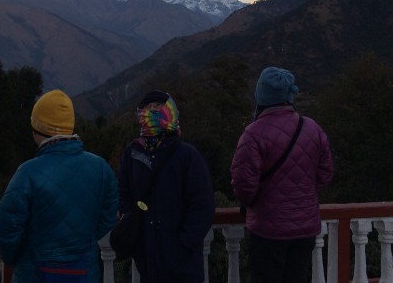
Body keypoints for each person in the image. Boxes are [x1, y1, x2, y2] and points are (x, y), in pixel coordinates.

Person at [0, 89, 118, 283]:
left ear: (36, 128)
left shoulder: (28, 172)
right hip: (83, 271)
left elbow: (5, 226)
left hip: (36, 273)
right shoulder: (100, 168)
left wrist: (15, 258)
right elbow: (108, 216)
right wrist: (82, 241)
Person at [230, 67, 334, 283]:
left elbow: (243, 184)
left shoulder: (254, 133)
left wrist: (253, 202)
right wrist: (303, 194)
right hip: (305, 229)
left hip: (268, 230)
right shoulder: (312, 128)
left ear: (261, 95)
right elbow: (326, 172)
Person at [116, 90, 215, 283]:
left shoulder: (187, 155)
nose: (152, 112)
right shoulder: (132, 153)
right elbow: (123, 193)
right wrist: (134, 231)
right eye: (148, 108)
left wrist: (183, 244)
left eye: (158, 107)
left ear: (171, 111)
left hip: (184, 268)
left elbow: (203, 205)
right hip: (147, 264)